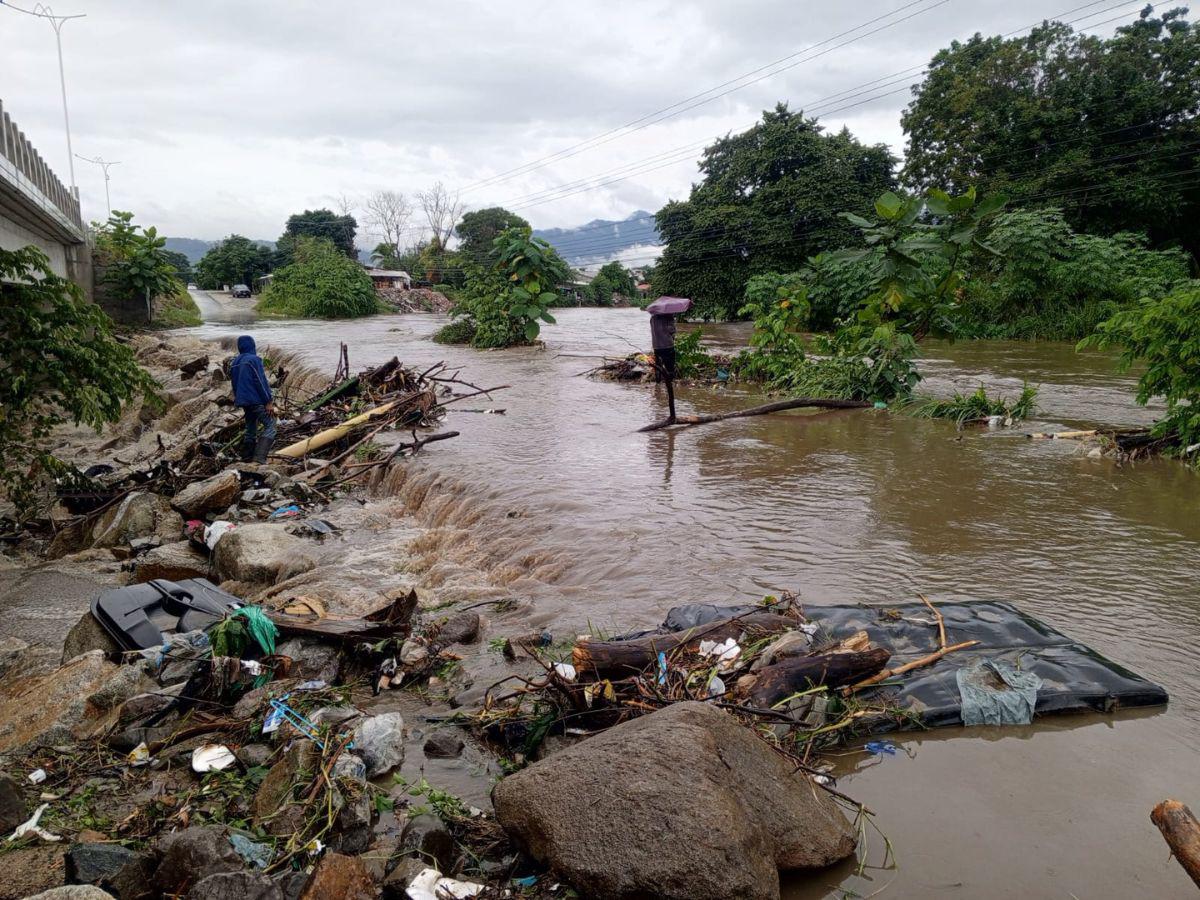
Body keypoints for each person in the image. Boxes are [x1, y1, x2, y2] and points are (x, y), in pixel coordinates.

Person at [230, 335, 276, 463]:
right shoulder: (254, 360)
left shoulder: (234, 363)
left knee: (251, 428)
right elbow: (260, 382)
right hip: (255, 400)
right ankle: (259, 458)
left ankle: (247, 457)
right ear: (252, 346)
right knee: (271, 425)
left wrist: (239, 399)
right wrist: (268, 401)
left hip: (244, 401)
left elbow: (234, 385)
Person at [650, 311, 678, 423]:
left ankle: (657, 385)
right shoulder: (668, 317)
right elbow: (672, 331)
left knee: (658, 367)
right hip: (667, 345)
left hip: (656, 346)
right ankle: (669, 387)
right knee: (670, 368)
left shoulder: (652, 318)